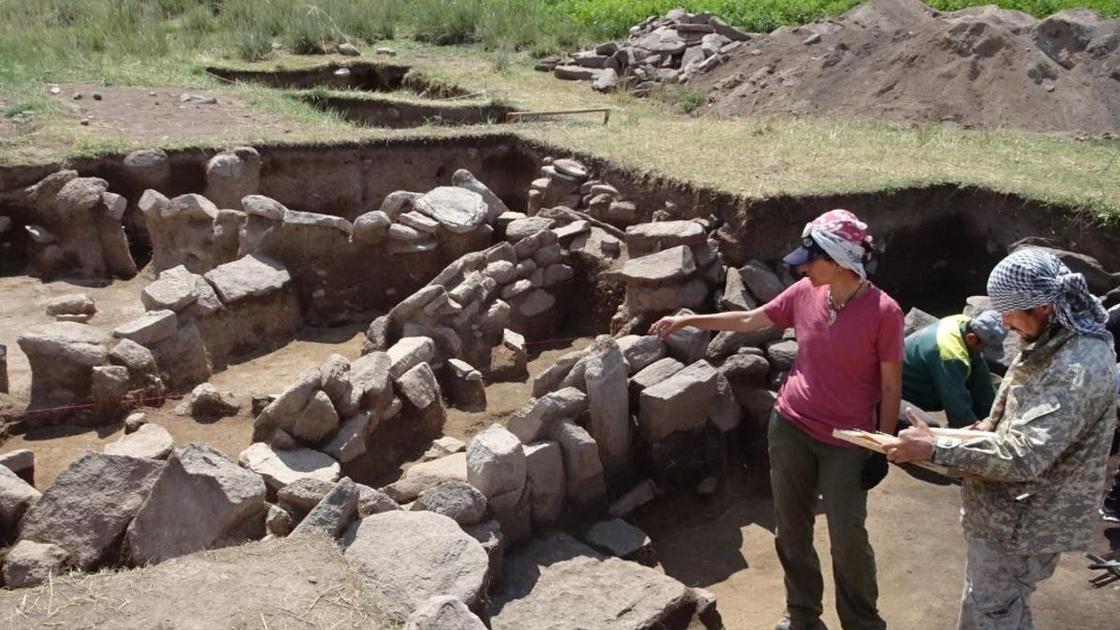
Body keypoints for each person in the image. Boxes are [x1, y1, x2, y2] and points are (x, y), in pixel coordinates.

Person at [651, 209, 903, 630]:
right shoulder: (805, 292)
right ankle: (802, 613)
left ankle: (862, 622)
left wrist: (883, 445)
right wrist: (688, 319)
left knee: (848, 539)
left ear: (840, 260)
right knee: (791, 528)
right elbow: (751, 320)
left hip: (848, 441)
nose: (802, 266)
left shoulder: (884, 312)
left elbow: (891, 386)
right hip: (790, 426)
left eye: (810, 258)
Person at [885, 248, 1118, 630]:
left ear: (1042, 307)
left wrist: (937, 448)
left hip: (1024, 526)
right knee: (986, 605)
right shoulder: (1051, 343)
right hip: (1006, 519)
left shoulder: (1077, 367)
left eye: (1010, 312)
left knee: (998, 614)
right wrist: (976, 431)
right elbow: (1015, 419)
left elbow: (1024, 455)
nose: (1006, 323)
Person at [901, 311, 1007, 429]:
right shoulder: (950, 355)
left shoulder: (965, 323)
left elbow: (982, 382)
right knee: (929, 428)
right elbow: (958, 410)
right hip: (897, 394)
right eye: (984, 348)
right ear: (971, 338)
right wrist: (976, 432)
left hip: (926, 380)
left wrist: (998, 416)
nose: (983, 352)